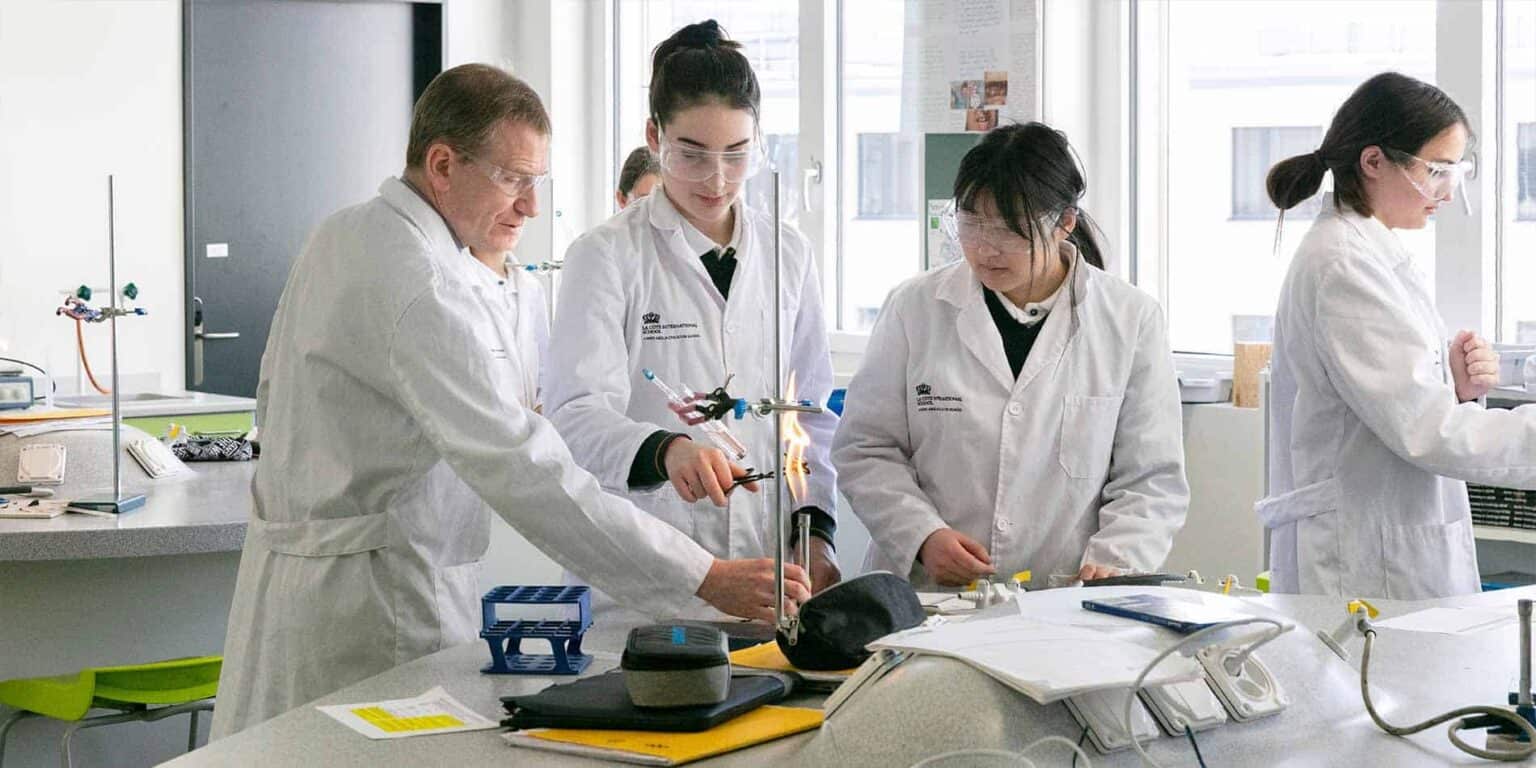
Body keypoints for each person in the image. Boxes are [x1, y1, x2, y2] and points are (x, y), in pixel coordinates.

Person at [211, 64, 808, 739]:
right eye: (513, 179)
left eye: (537, 184)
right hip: (372, 606)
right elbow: (524, 468)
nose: (529, 206)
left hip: (355, 584)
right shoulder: (417, 283)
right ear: (441, 164)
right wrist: (701, 574)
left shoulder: (365, 237)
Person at [546, 21, 839, 627]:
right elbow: (573, 417)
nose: (716, 179)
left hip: (767, 577)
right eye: (692, 154)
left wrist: (816, 532)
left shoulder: (790, 254)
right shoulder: (605, 256)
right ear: (654, 137)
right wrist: (665, 449)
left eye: (737, 155)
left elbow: (807, 414)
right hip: (644, 589)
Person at [832, 122, 1188, 589]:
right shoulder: (915, 307)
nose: (984, 248)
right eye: (971, 223)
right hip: (931, 595)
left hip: (1062, 599)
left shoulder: (1130, 318)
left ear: (1065, 222)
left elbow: (1150, 477)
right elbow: (865, 447)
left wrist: (1115, 561)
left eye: (1009, 230)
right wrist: (923, 535)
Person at [1258, 71, 1536, 600]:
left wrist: (1450, 386)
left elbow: (1395, 408)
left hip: (1386, 543)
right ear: (1374, 162)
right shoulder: (1343, 265)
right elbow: (1430, 432)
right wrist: (1447, 407)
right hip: (1363, 559)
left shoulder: (1368, 253)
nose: (1448, 193)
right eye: (1436, 171)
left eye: (1457, 171)